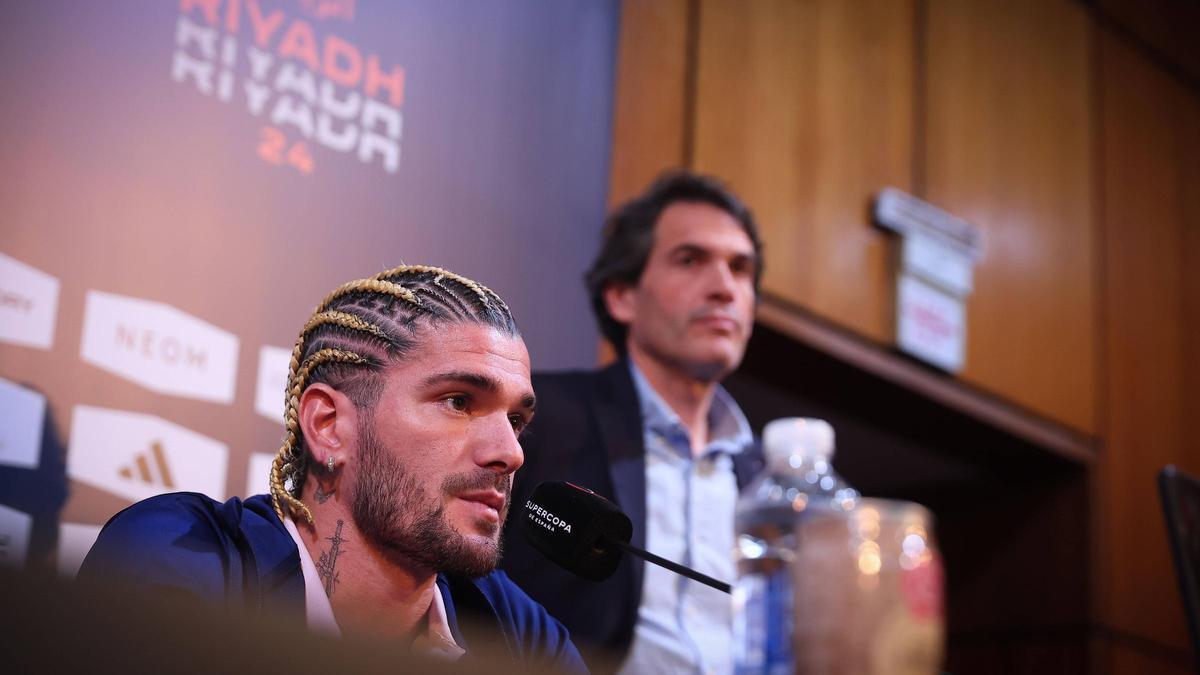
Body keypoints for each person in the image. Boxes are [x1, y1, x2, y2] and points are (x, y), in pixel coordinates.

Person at [79, 265, 586, 673]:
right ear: (328, 426)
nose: (510, 452)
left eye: (516, 419)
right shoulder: (183, 555)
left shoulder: (516, 632)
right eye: (458, 401)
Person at [502, 171, 766, 673]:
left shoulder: (771, 484)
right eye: (691, 260)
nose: (725, 288)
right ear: (622, 295)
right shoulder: (538, 416)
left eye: (741, 268)